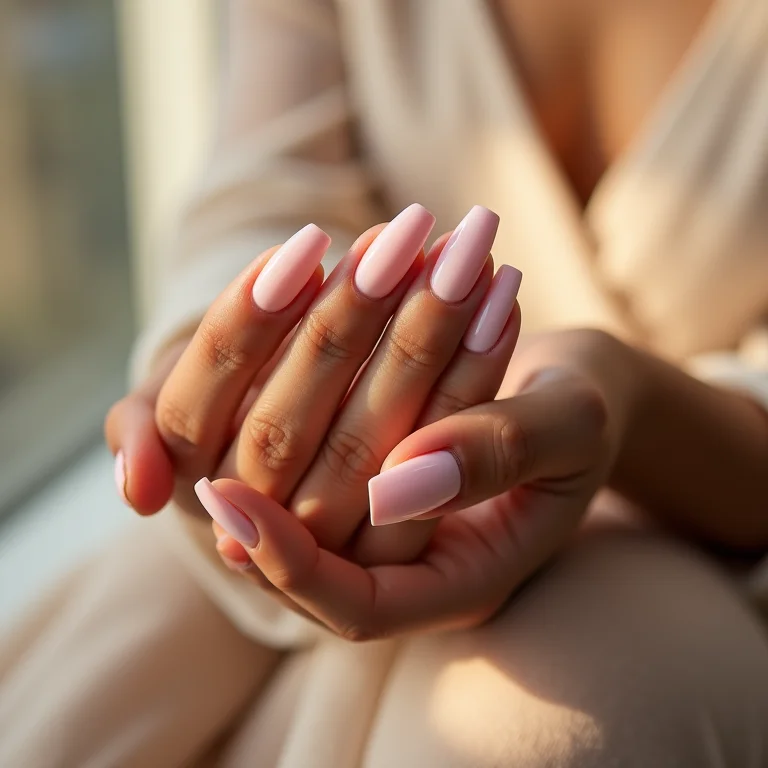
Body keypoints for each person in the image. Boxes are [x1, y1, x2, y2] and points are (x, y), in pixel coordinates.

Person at [2, 0, 768, 765]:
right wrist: (224, 371)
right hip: (329, 512)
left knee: (549, 722)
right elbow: (265, 188)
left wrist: (634, 409)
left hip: (709, 541)